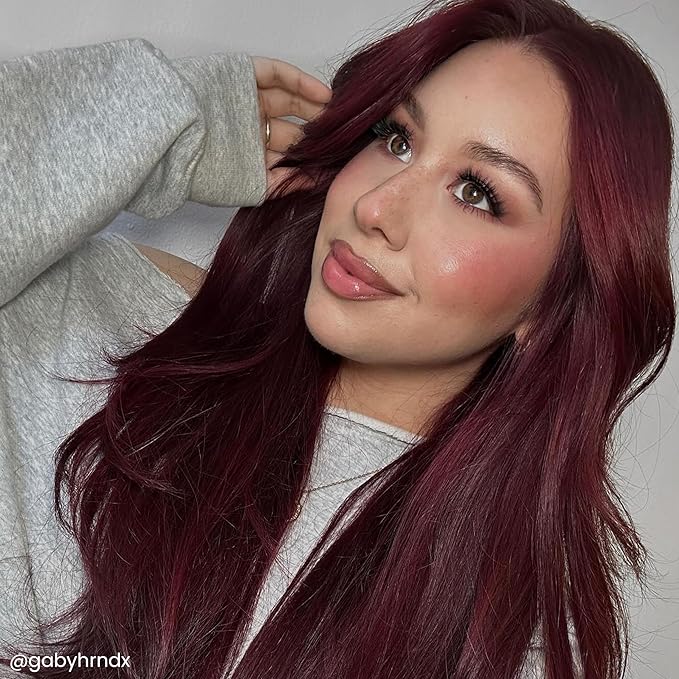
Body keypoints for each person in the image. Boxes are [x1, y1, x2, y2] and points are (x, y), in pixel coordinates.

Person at [0, 0, 674, 677]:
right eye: (396, 138)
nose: (375, 207)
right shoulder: (97, 313)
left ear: (553, 304)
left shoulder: (503, 635)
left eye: (475, 192)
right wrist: (161, 114)